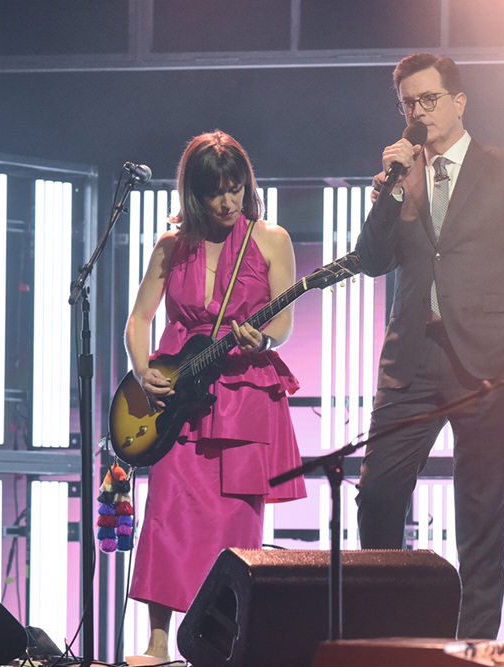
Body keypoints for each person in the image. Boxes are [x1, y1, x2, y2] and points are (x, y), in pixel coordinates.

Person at [353, 52, 504, 640]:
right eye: (408, 104)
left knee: (480, 514)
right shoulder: (400, 175)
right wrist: (390, 191)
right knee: (378, 494)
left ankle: (475, 645)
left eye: (428, 100)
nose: (418, 113)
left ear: (458, 102)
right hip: (412, 361)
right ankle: (388, 636)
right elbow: (371, 262)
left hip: (491, 360)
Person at [125, 130, 306, 661]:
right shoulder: (170, 245)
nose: (228, 201)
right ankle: (158, 642)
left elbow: (286, 322)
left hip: (243, 398)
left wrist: (263, 335)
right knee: (165, 512)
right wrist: (140, 371)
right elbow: (138, 319)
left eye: (236, 188)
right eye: (216, 192)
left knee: (235, 527)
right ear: (195, 195)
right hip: (178, 396)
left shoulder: (271, 238)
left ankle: (226, 646)